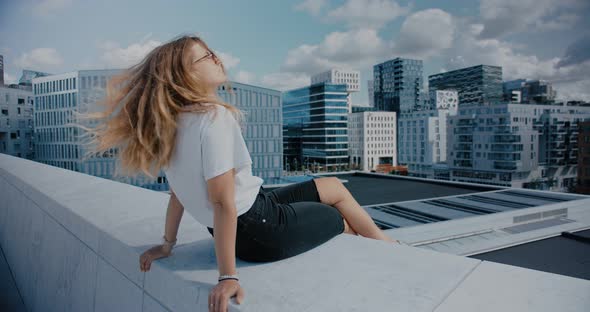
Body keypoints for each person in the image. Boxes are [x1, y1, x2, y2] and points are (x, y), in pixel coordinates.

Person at [76, 34, 404, 312]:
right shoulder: (213, 118)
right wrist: (227, 277)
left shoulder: (173, 125)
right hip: (261, 231)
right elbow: (222, 203)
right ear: (184, 76)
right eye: (205, 56)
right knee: (337, 218)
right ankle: (389, 250)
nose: (216, 58)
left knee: (332, 185)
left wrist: (167, 244)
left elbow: (178, 193)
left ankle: (385, 243)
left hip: (256, 212)